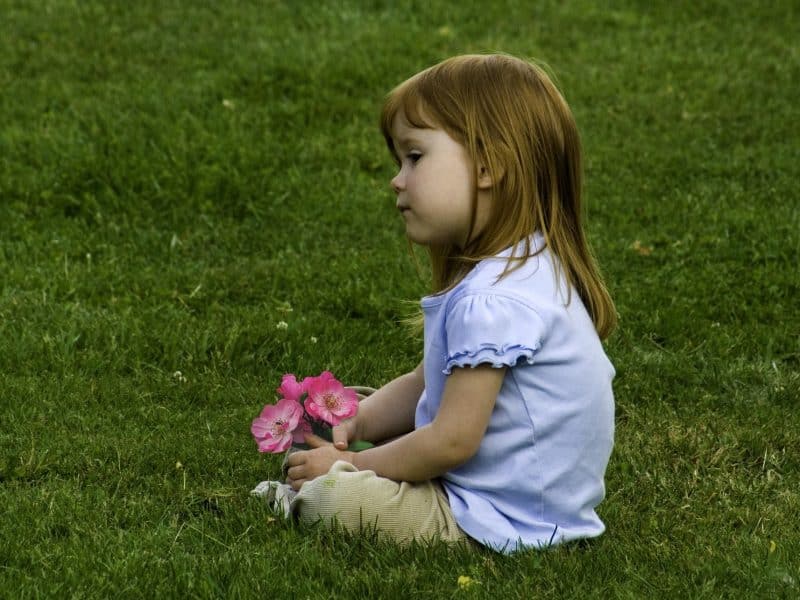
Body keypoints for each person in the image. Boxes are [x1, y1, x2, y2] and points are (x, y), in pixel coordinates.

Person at [284, 53, 617, 552]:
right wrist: (356, 420)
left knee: (333, 500)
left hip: (497, 519)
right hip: (514, 495)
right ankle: (335, 453)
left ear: (488, 167)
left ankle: (306, 487)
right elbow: (428, 381)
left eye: (415, 157)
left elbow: (452, 442)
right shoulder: (525, 265)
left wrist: (349, 464)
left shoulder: (493, 300)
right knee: (335, 416)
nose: (398, 179)